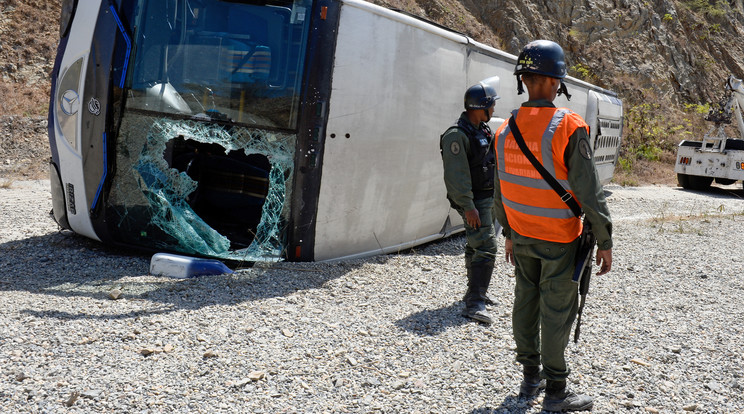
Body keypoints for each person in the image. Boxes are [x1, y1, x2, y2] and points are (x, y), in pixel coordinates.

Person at [492, 40, 613, 412]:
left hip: (523, 236)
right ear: (557, 82)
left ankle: (530, 378)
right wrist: (605, 238)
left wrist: (509, 235)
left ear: (524, 80)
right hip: (559, 239)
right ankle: (556, 391)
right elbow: (589, 191)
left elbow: (501, 190)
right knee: (557, 312)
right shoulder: (568, 125)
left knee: (525, 303)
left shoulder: (504, 129)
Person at [440, 77, 501, 325]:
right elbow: (457, 177)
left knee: (475, 245)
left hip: (487, 198)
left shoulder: (482, 130)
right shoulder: (457, 135)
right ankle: (474, 303)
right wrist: (468, 206)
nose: (494, 109)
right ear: (480, 107)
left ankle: (476, 293)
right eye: (491, 105)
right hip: (476, 202)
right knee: (486, 247)